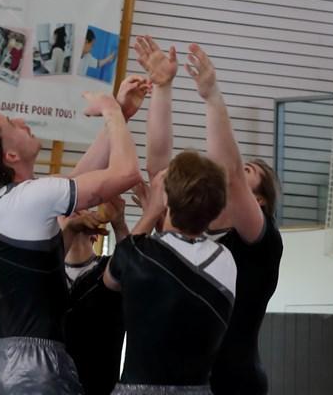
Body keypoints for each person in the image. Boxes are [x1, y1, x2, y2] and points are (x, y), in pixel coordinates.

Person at [0, 76, 147, 395]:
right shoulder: (31, 198)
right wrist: (111, 111)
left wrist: (121, 114)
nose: (21, 121)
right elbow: (126, 174)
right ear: (11, 157)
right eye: (11, 124)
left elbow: (76, 181)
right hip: (35, 367)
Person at [135, 36, 284, 395]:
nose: (226, 170)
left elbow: (229, 176)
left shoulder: (259, 244)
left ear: (259, 202)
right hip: (179, 381)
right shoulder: (184, 229)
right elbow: (158, 171)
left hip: (233, 382)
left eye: (249, 171)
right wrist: (162, 88)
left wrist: (212, 96)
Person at [103, 151, 236, 393]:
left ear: (165, 199)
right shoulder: (226, 259)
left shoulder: (139, 254)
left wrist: (152, 212)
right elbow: (173, 255)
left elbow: (110, 279)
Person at [60, 196, 129, 395]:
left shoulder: (109, 268)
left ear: (96, 234)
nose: (73, 210)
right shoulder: (46, 273)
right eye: (64, 210)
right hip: (50, 384)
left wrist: (119, 224)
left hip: (100, 385)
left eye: (81, 208)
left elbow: (130, 266)